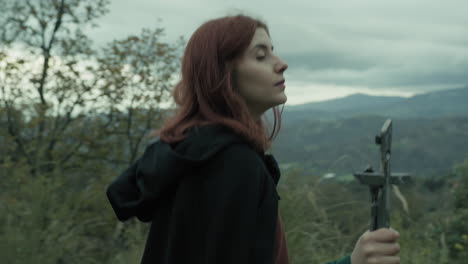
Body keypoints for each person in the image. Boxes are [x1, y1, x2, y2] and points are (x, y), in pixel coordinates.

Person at [106, 14, 401, 264]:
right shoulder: (232, 164)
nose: (281, 63)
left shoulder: (191, 154)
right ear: (223, 75)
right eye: (261, 56)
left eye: (272, 51)